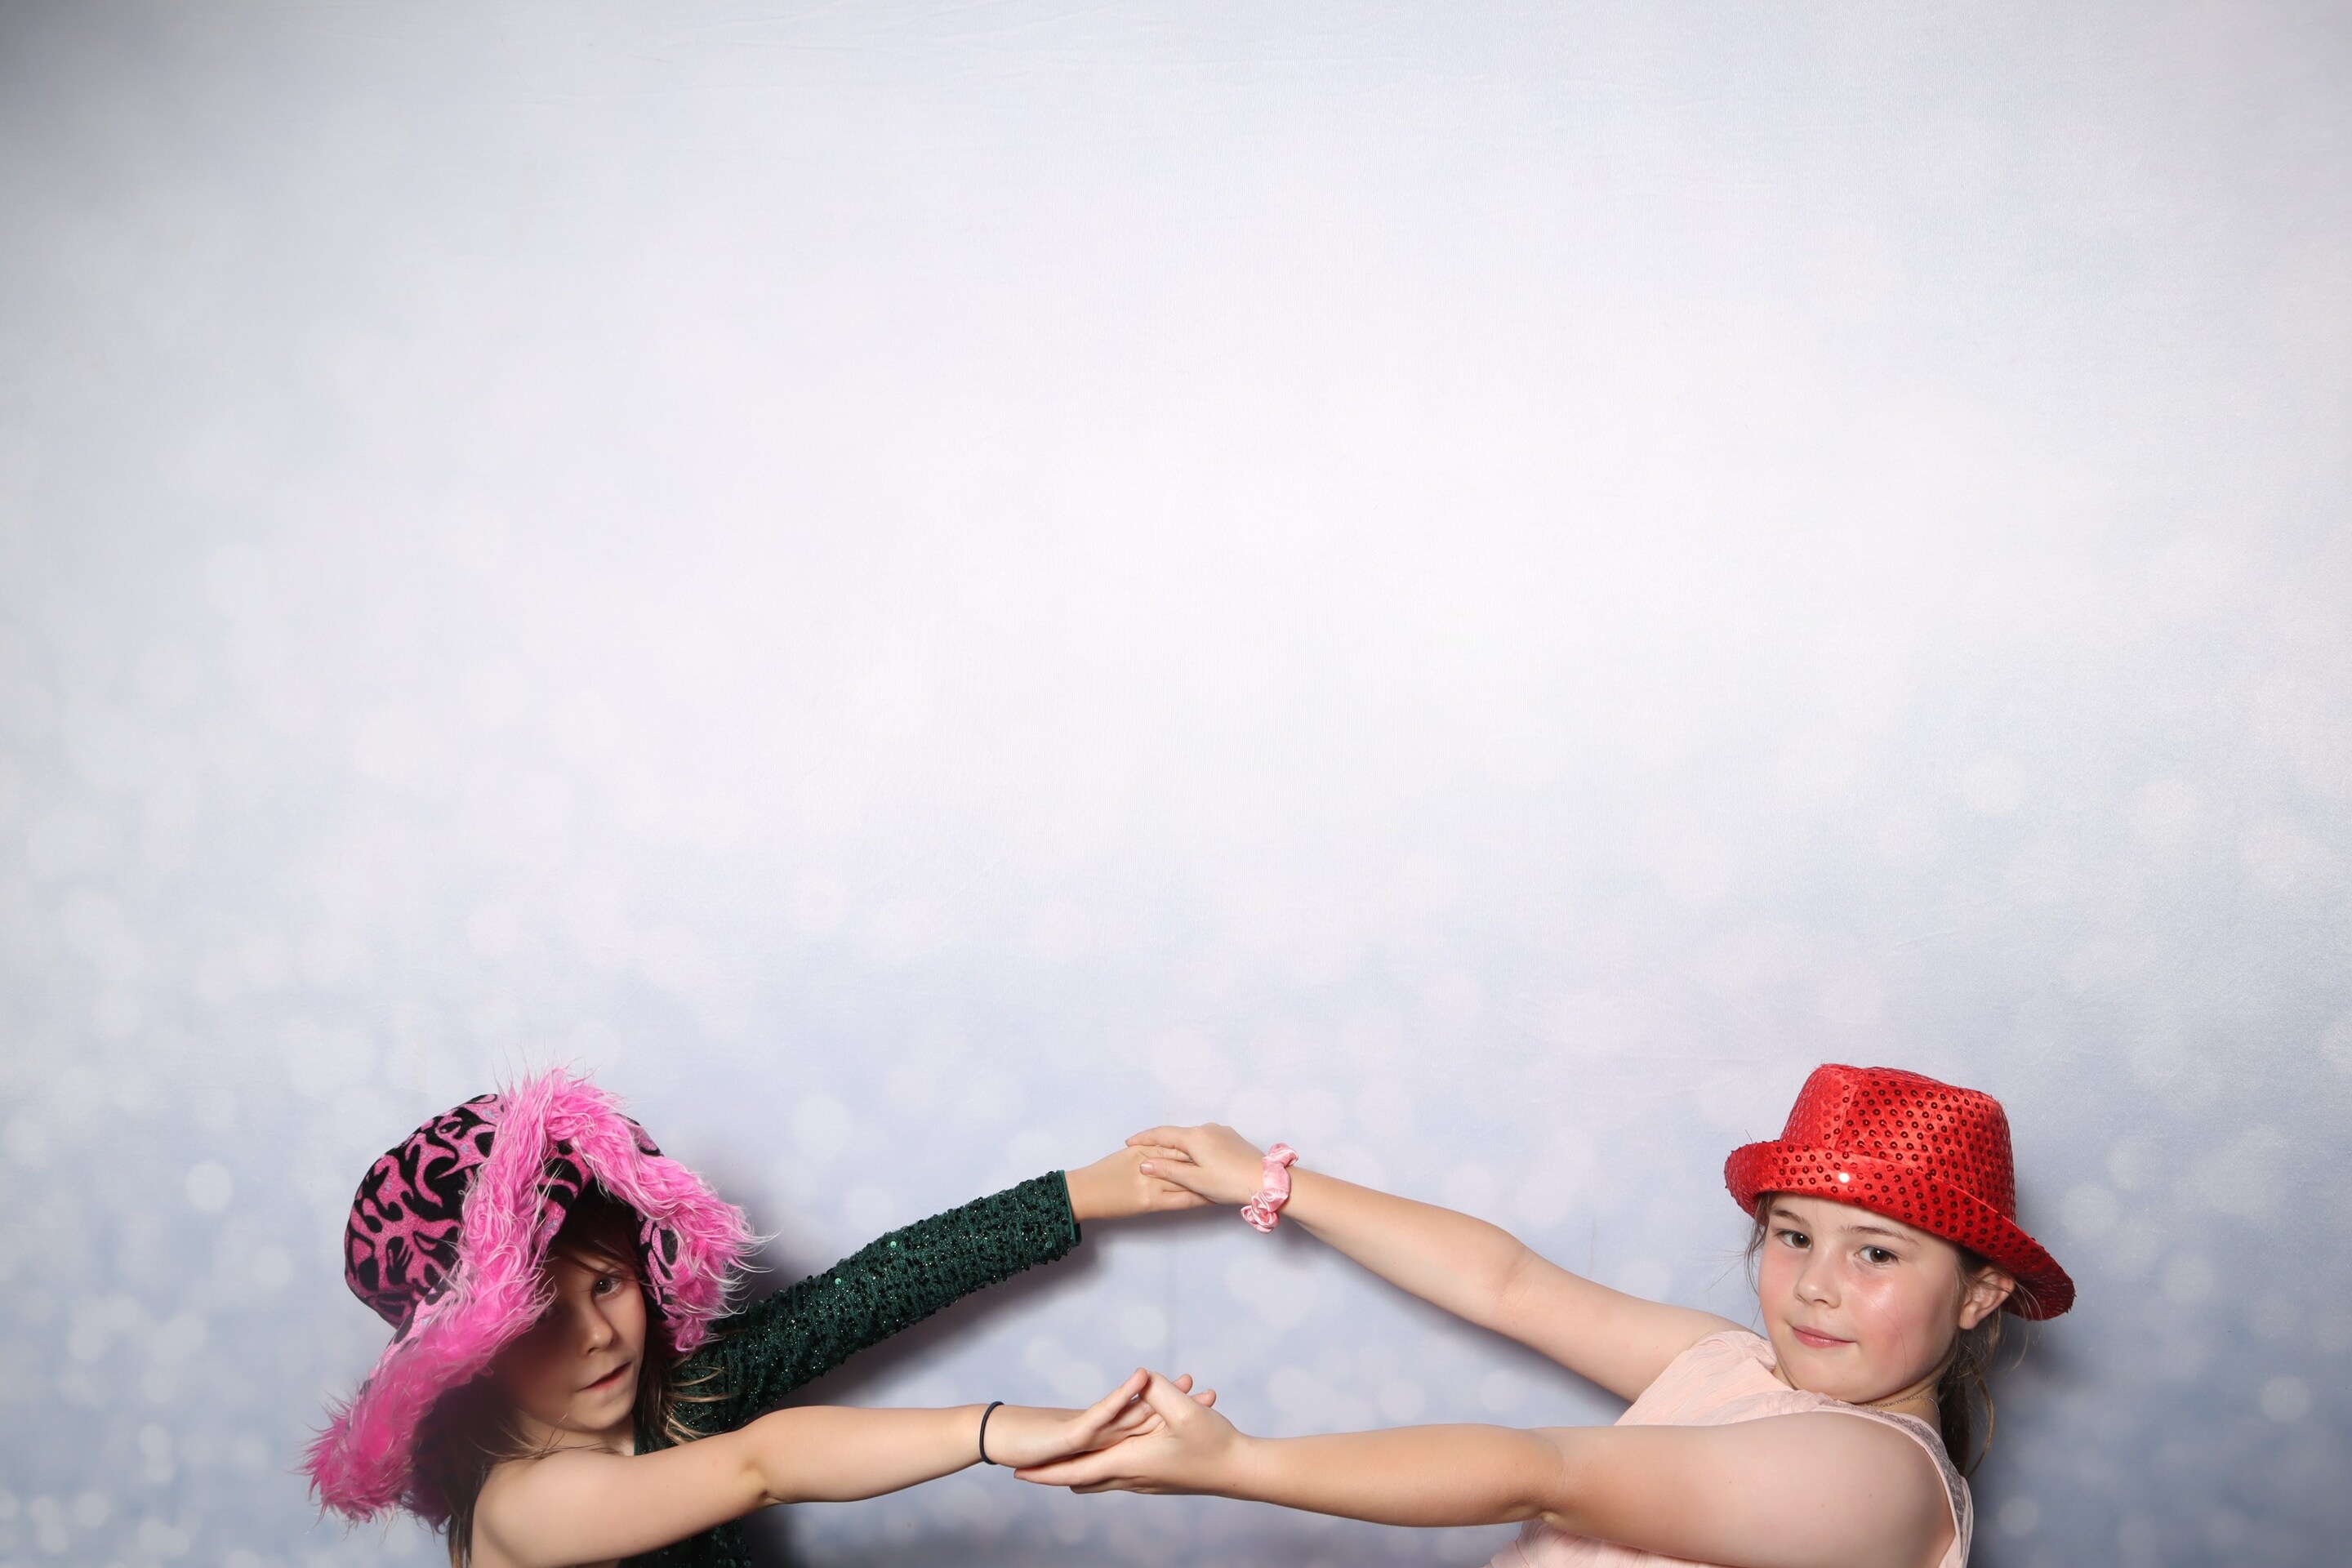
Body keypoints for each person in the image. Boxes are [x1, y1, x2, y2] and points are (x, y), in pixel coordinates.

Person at [1022, 1063, 2074, 1568]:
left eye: (1876, 1253)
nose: (1814, 1285)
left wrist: (1239, 1464)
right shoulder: (1735, 1368)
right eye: (1794, 1235)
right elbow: (1509, 1283)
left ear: (1981, 1293)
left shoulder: (1878, 1480)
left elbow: (1541, 1470)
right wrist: (1273, 1183)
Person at [304, 1067, 1211, 1567]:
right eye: (542, 1319)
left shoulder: (682, 1399)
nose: (597, 1336)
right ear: (473, 1358)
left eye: (608, 1285)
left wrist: (1081, 1193)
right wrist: (997, 1430)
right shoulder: (522, 1506)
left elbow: (866, 1295)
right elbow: (762, 1465)